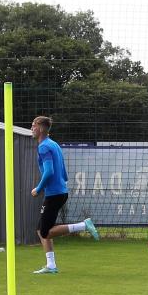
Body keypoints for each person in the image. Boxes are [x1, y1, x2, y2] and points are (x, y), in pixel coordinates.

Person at [30, 116, 99, 273]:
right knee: (41, 229)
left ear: (40, 128)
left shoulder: (43, 147)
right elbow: (63, 170)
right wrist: (63, 181)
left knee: (44, 231)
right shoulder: (53, 144)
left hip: (54, 194)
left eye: (33, 126)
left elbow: (49, 171)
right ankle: (51, 265)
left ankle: (84, 225)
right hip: (59, 192)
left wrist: (38, 188)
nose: (31, 129)